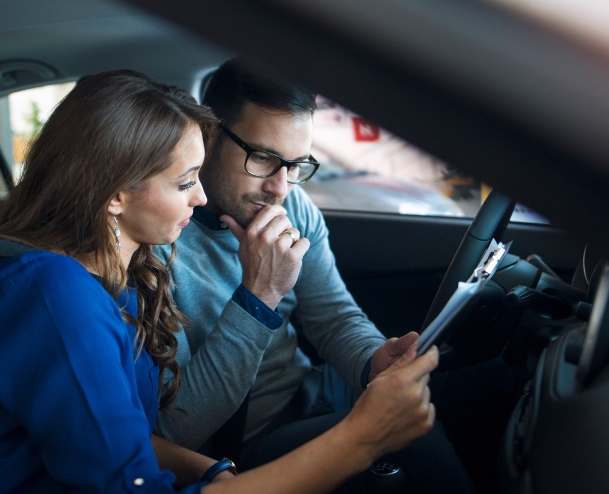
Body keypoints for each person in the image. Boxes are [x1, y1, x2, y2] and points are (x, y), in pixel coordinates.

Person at [0, 70, 439, 494]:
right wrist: (363, 438)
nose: (201, 197)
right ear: (115, 194)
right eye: (186, 182)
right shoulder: (57, 295)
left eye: (296, 165)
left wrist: (207, 471)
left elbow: (126, 436)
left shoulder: (123, 274)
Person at [154, 59, 475, 493]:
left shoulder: (294, 206)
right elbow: (175, 429)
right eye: (263, 158)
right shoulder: (157, 239)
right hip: (248, 448)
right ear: (208, 135)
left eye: (296, 165)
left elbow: (334, 317)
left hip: (314, 391)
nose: (281, 188)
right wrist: (258, 295)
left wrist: (371, 360)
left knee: (484, 380)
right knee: (416, 436)